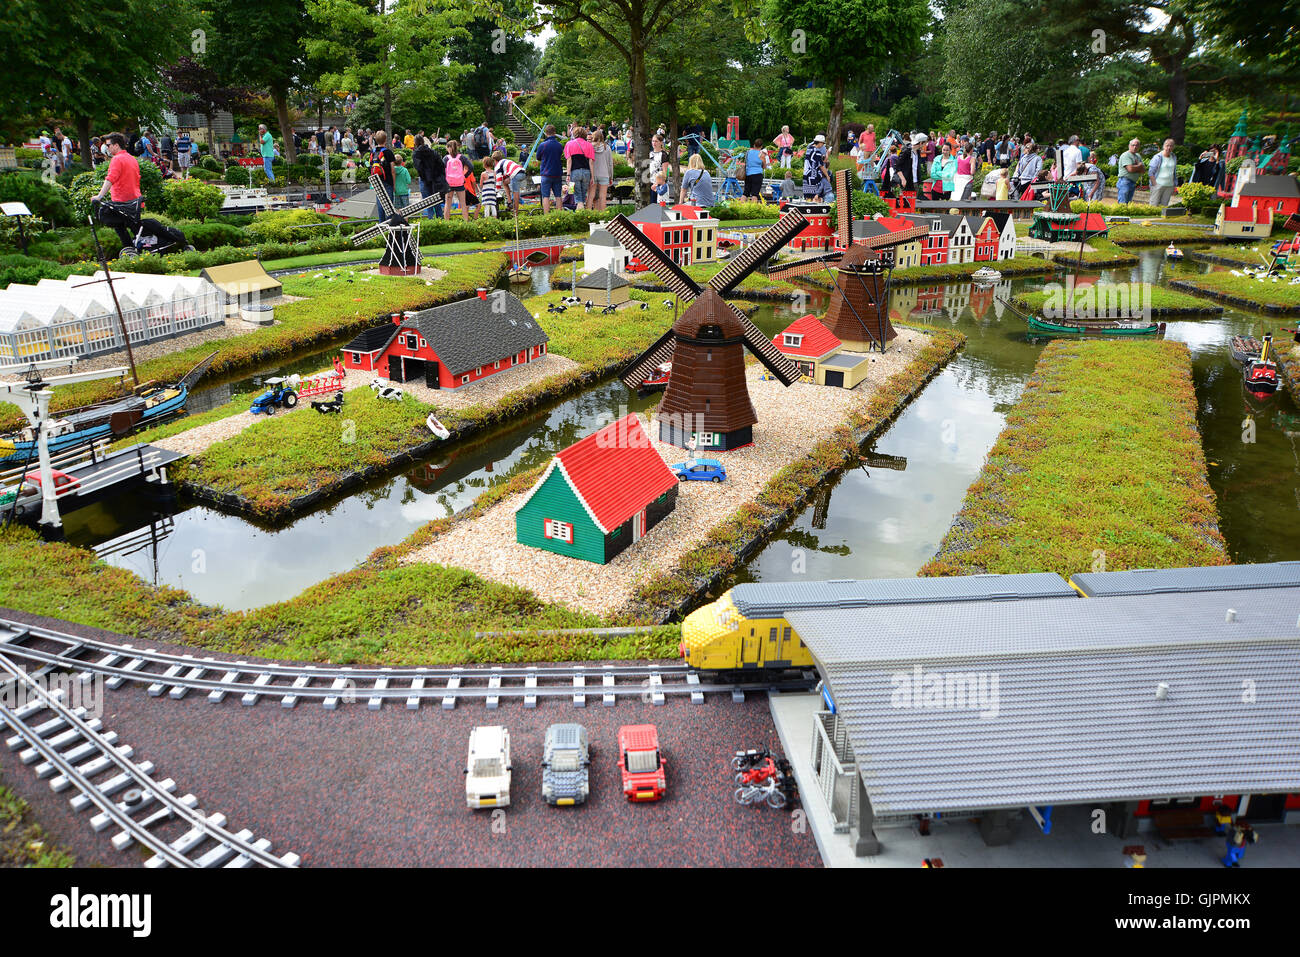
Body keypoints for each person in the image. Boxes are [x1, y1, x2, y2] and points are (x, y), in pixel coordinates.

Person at [93, 132, 142, 249]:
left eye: (108, 145)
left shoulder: (117, 159)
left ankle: (131, 252)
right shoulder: (131, 158)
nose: (107, 148)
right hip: (135, 200)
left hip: (122, 201)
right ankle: (139, 250)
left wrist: (99, 196)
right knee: (136, 229)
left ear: (116, 145)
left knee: (119, 227)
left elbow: (110, 179)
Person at [414, 135, 446, 218]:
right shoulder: (432, 152)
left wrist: (424, 176)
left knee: (428, 203)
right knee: (436, 200)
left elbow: (419, 168)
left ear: (415, 143)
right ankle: (440, 221)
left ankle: (430, 221)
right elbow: (441, 165)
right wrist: (437, 174)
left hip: (424, 179)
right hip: (434, 178)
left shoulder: (416, 154)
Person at [368, 129, 396, 220]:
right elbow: (392, 170)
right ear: (385, 140)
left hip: (377, 181)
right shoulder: (388, 152)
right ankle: (390, 226)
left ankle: (381, 224)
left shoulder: (373, 152)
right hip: (387, 181)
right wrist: (394, 184)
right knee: (389, 206)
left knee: (380, 204)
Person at [536, 124, 564, 213]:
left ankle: (547, 216)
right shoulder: (559, 145)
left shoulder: (543, 145)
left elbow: (538, 157)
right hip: (557, 173)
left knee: (546, 196)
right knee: (558, 196)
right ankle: (559, 214)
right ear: (554, 133)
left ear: (546, 133)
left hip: (546, 173)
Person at [564, 125, 594, 209]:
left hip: (575, 172)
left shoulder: (569, 144)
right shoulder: (589, 145)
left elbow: (569, 161)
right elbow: (591, 162)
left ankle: (580, 216)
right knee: (582, 195)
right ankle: (582, 213)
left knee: (577, 197)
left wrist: (568, 175)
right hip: (586, 172)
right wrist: (592, 176)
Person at [442, 139, 471, 220]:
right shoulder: (462, 157)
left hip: (449, 184)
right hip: (460, 183)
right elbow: (471, 167)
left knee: (448, 204)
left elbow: (440, 170)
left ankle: (446, 223)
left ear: (449, 148)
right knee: (463, 204)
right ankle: (466, 223)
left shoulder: (446, 158)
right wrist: (464, 176)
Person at [494, 149, 526, 217]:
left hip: (516, 175)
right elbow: (504, 177)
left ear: (494, 160)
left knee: (515, 193)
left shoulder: (498, 166)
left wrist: (497, 191)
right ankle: (509, 202)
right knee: (505, 182)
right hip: (522, 173)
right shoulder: (506, 160)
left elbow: (498, 180)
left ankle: (515, 214)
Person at [1148, 138, 1178, 206]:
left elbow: (1174, 171)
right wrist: (1154, 184)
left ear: (1173, 147)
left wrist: (1174, 185)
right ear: (1163, 146)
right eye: (1167, 145)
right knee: (1154, 205)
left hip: (1169, 185)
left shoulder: (1173, 157)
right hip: (1158, 184)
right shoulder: (1157, 157)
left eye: (1171, 146)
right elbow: (1151, 172)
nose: (1169, 147)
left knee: (1164, 206)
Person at [802, 134, 831, 200]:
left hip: (806, 175)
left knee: (807, 196)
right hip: (814, 176)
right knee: (816, 196)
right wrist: (827, 175)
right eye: (823, 143)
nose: (823, 145)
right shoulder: (817, 152)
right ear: (820, 143)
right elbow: (820, 165)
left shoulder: (808, 149)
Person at [590, 130, 612, 212]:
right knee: (603, 197)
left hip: (593, 174)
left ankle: (591, 215)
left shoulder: (590, 147)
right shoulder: (607, 147)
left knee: (591, 196)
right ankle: (603, 216)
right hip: (604, 174)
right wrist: (611, 176)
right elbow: (610, 164)